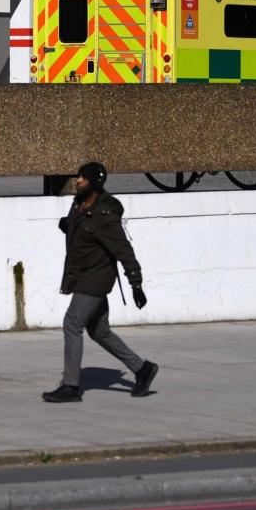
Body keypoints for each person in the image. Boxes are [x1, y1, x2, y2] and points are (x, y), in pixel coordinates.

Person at [42, 162, 159, 403]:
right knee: (100, 332)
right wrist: (67, 226)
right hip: (82, 274)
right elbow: (82, 230)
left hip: (96, 278)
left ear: (95, 183)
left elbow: (124, 250)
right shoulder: (79, 203)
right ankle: (142, 369)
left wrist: (136, 284)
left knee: (72, 323)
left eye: (83, 178)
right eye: (79, 177)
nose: (78, 181)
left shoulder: (105, 216)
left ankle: (71, 386)